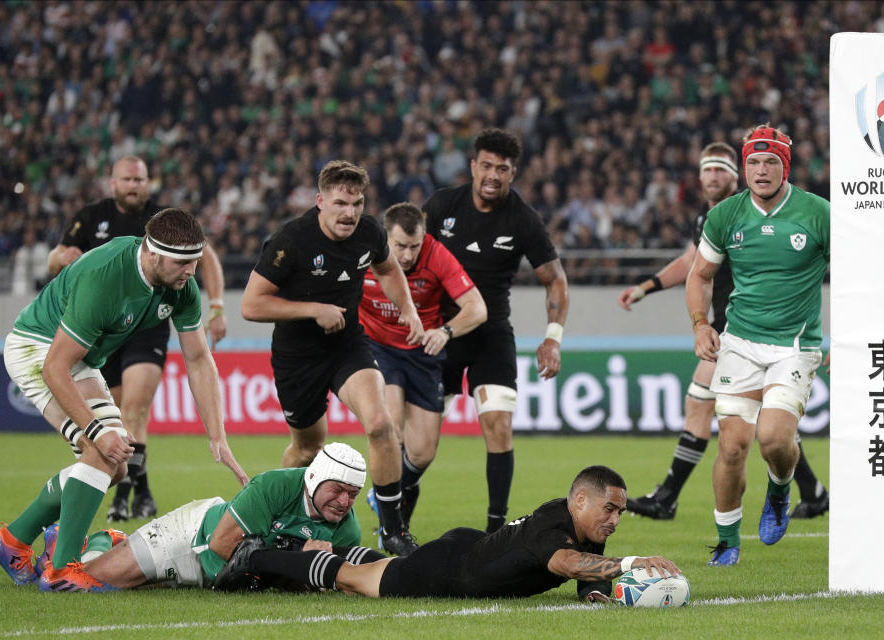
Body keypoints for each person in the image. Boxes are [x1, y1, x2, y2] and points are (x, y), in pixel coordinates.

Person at [0, 208, 249, 591]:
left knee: (118, 467)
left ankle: (12, 542)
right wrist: (94, 431)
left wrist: (217, 436)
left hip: (81, 358)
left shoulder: (180, 285)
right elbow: (55, 369)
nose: (191, 273)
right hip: (38, 350)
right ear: (153, 254)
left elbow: (198, 359)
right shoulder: (105, 278)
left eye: (195, 262)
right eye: (182, 263)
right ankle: (61, 572)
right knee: (101, 451)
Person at [618, 143, 829, 521]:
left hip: (747, 329)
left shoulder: (748, 211)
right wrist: (646, 287)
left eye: (721, 170)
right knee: (766, 425)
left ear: (736, 176)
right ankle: (812, 492)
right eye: (707, 170)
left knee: (707, 408)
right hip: (728, 328)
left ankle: (667, 496)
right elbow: (691, 264)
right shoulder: (712, 218)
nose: (713, 176)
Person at [241, 161, 424, 556]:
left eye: (356, 203)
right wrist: (313, 309)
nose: (350, 213)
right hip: (296, 356)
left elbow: (389, 269)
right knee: (308, 449)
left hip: (346, 344)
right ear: (320, 201)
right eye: (341, 203)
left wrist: (407, 307)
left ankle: (393, 530)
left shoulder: (371, 231)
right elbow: (252, 305)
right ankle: (276, 516)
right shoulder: (290, 240)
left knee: (380, 423)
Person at [47, 156, 229, 522]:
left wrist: (217, 305)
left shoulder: (165, 221)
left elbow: (206, 257)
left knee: (135, 406)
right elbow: (57, 261)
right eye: (127, 179)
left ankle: (122, 495)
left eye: (140, 179)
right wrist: (62, 260)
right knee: (116, 413)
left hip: (149, 324)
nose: (134, 185)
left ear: (149, 182)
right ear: (112, 183)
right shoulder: (90, 216)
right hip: (105, 330)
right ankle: (141, 491)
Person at [215, 465, 680, 602]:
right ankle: (256, 558)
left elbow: (586, 572)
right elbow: (563, 563)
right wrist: (630, 565)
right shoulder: (554, 525)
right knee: (352, 580)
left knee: (376, 566)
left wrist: (600, 597)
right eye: (610, 508)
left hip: (468, 547)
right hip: (446, 572)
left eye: (620, 511)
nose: (615, 520)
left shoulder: (586, 525)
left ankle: (298, 551)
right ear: (580, 499)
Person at [685, 125, 829, 566]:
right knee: (731, 445)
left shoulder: (818, 213)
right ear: (743, 166)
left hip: (795, 345)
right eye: (753, 162)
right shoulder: (726, 215)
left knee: (772, 438)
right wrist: (699, 325)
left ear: (785, 166)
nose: (761, 170)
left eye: (770, 162)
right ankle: (727, 540)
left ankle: (781, 490)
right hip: (740, 341)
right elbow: (699, 276)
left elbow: (855, 277)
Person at [424, 128, 569, 533]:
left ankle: (495, 530)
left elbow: (555, 280)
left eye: (501, 169)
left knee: (498, 425)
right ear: (472, 167)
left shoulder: (522, 220)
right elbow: (407, 258)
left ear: (512, 173)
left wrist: (552, 338)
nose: (492, 174)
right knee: (421, 445)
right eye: (485, 165)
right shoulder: (441, 206)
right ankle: (394, 513)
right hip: (441, 333)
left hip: (491, 336)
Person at [39, 443, 385, 592]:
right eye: (337, 490)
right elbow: (222, 546)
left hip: (219, 577)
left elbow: (297, 584)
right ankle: (96, 542)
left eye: (353, 494)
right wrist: (298, 555)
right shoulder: (274, 486)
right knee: (81, 585)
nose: (344, 501)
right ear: (313, 478)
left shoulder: (347, 529)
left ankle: (119, 546)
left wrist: (307, 571)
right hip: (192, 536)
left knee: (139, 586)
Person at [359, 203, 487, 532]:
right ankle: (388, 502)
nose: (407, 255)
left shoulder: (437, 254)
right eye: (400, 246)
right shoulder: (364, 250)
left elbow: (477, 308)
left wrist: (445, 332)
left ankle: (390, 491)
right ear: (386, 236)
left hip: (422, 354)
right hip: (377, 347)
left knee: (423, 452)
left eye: (414, 246)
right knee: (390, 424)